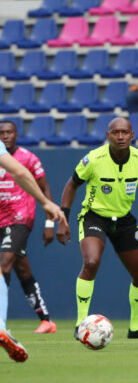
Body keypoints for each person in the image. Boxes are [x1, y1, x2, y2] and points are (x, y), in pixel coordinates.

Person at [56, 117, 138, 340]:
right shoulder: (94, 159)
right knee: (92, 262)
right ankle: (81, 324)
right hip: (94, 217)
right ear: (108, 136)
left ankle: (136, 328)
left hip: (124, 220)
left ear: (132, 135)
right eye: (116, 132)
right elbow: (71, 184)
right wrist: (62, 218)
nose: (121, 136)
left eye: (125, 132)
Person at [0, 137, 67, 362]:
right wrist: (46, 204)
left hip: (18, 216)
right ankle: (44, 320)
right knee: (22, 270)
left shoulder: (28, 156)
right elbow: (19, 173)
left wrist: (48, 216)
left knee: (4, 264)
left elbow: (25, 175)